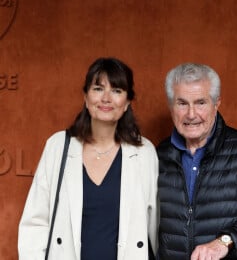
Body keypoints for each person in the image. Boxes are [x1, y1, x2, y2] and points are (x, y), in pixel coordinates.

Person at [18, 57, 158, 260]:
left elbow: (157, 227)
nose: (106, 98)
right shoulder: (58, 146)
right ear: (85, 96)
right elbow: (35, 221)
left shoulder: (144, 153)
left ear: (127, 102)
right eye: (98, 89)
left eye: (117, 91)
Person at [157, 63, 237, 260]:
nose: (191, 114)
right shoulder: (156, 156)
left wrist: (226, 241)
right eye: (182, 103)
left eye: (200, 102)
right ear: (170, 106)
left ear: (216, 103)